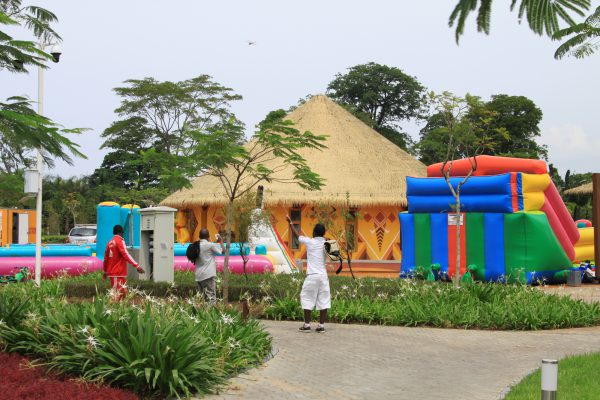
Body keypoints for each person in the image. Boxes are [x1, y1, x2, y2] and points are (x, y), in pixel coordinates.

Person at [286, 216, 330, 333]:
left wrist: (290, 223)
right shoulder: (327, 243)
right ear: (323, 233)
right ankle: (321, 326)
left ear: (314, 233)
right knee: (324, 300)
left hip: (312, 276)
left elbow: (297, 235)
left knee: (307, 298)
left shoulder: (310, 242)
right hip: (323, 276)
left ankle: (307, 325)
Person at [103, 224, 145, 301]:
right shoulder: (120, 241)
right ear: (122, 232)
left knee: (122, 294)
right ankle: (114, 311)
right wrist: (137, 266)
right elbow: (126, 254)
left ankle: (120, 311)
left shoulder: (109, 243)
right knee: (117, 295)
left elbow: (105, 258)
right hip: (117, 272)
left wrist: (105, 271)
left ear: (113, 232)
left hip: (116, 273)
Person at [195, 228, 225, 305]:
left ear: (199, 236)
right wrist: (221, 241)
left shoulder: (196, 245)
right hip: (208, 275)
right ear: (208, 236)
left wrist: (214, 242)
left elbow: (207, 246)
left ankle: (202, 315)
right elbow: (223, 251)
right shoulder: (210, 245)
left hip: (198, 276)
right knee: (211, 297)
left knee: (202, 298)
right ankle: (211, 315)